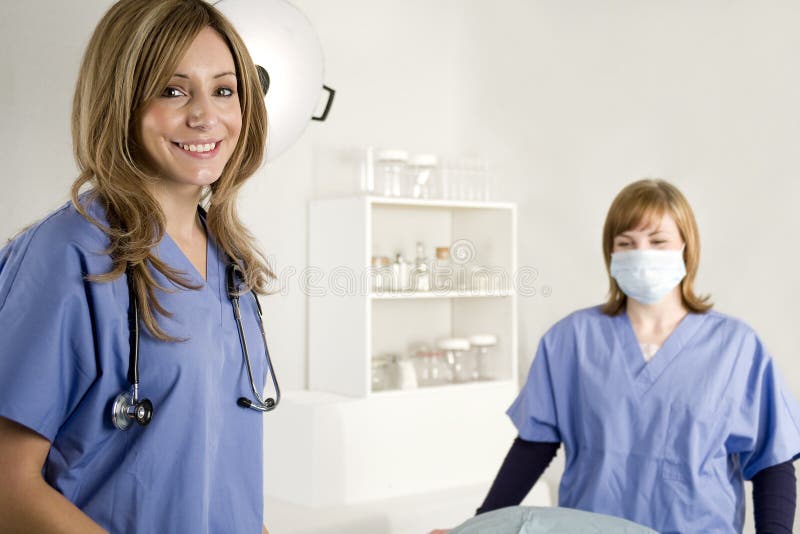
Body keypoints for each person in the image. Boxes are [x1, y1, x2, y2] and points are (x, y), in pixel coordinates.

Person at [0, 1, 277, 532]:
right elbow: (8, 484)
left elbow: (221, 467)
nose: (205, 115)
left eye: (224, 90)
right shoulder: (67, 253)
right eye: (172, 91)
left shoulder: (229, 259)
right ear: (121, 102)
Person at [433, 179, 800, 534]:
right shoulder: (571, 340)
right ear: (610, 253)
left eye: (658, 241)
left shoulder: (734, 347)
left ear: (687, 248)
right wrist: (476, 528)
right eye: (626, 243)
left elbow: (773, 462)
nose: (642, 254)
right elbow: (534, 445)